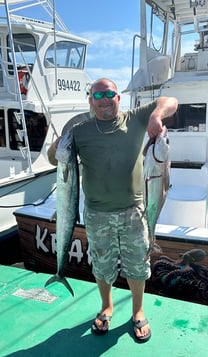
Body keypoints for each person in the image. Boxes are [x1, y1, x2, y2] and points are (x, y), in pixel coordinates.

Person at [47, 78, 178, 342]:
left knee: (137, 266)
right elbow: (55, 160)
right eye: (99, 94)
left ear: (119, 98)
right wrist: (54, 147)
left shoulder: (136, 118)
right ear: (91, 100)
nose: (105, 99)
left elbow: (171, 102)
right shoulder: (80, 130)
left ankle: (137, 311)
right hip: (96, 213)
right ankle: (106, 306)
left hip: (134, 211)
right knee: (102, 265)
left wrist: (155, 114)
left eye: (110, 93)